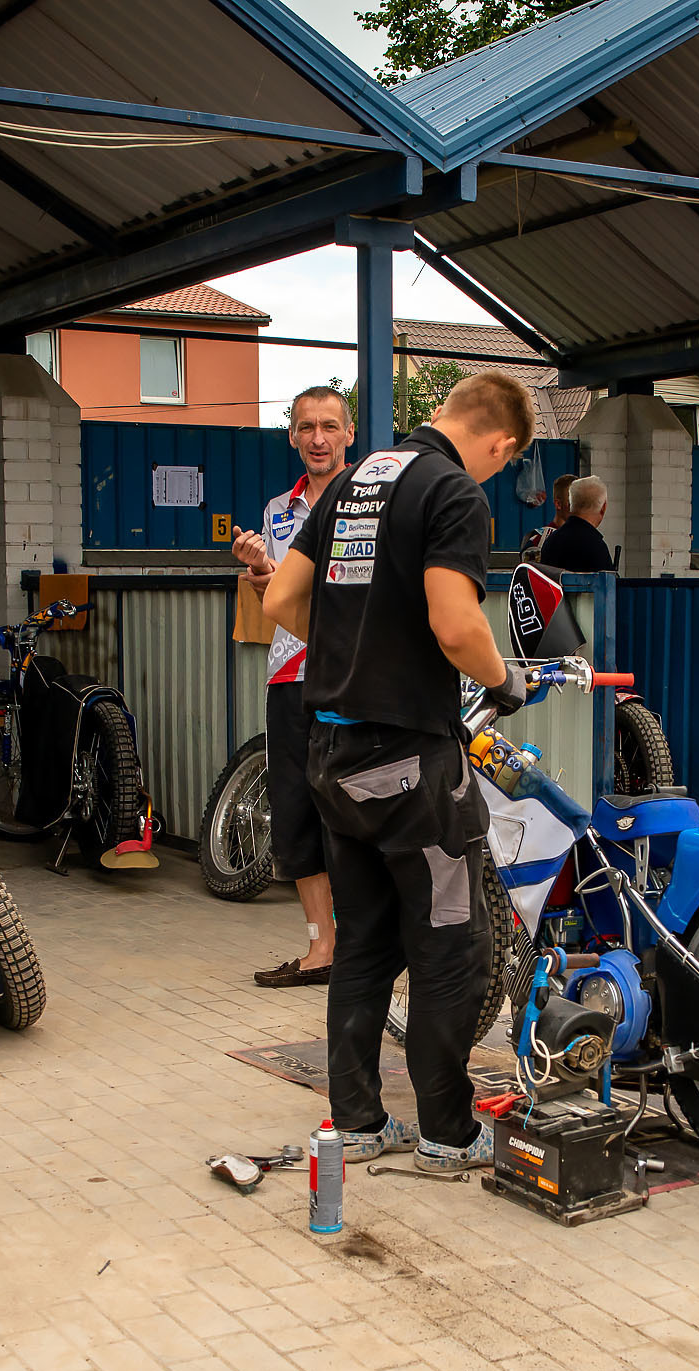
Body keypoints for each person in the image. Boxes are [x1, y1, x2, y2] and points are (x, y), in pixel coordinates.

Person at [263, 371, 535, 1173]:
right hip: (410, 766)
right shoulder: (453, 492)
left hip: (331, 758)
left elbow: (281, 599)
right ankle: (447, 1133)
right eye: (501, 462)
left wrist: (356, 644)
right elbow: (456, 623)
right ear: (501, 443)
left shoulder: (353, 481)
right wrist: (502, 679)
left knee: (365, 942)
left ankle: (357, 1121)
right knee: (453, 946)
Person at [230, 386, 355, 988]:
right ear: (292, 437)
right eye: (307, 427)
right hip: (289, 675)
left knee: (355, 811)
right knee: (298, 810)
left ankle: (365, 945)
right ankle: (320, 946)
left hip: (350, 674)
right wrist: (259, 568)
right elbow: (276, 594)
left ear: (349, 434)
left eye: (329, 426)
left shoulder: (370, 501)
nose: (318, 438)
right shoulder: (279, 509)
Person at [534, 474, 615, 575]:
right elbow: (608, 584)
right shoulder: (596, 547)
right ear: (603, 508)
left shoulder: (550, 542)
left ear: (571, 504)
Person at [518, 473, 576, 561]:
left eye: (583, 504)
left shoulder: (585, 539)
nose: (580, 509)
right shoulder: (540, 541)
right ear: (558, 504)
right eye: (573, 504)